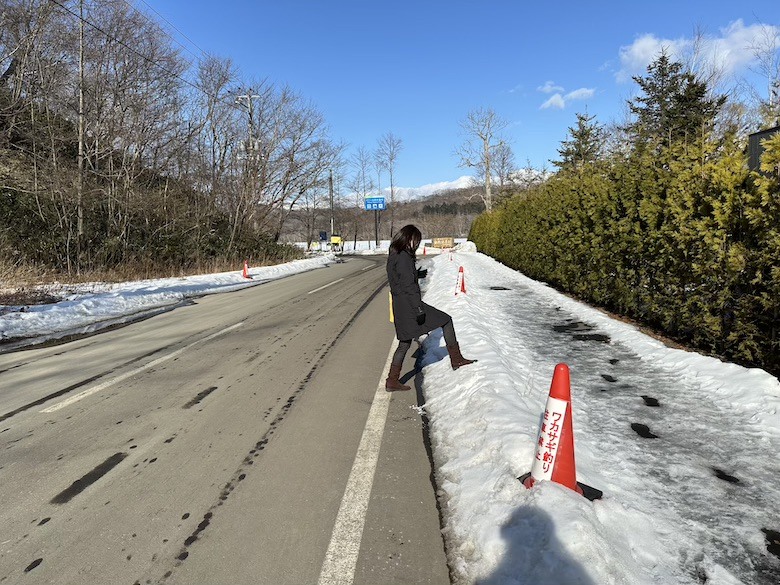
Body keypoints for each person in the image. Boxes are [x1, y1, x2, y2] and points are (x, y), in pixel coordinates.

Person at [385, 224, 476, 391]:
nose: (417, 244)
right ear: (409, 239)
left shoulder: (394, 255)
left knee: (404, 343)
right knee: (446, 320)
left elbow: (399, 280)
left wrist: (416, 275)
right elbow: (409, 287)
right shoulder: (405, 257)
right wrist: (418, 309)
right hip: (410, 305)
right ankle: (456, 359)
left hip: (400, 306)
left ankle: (392, 381)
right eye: (416, 241)